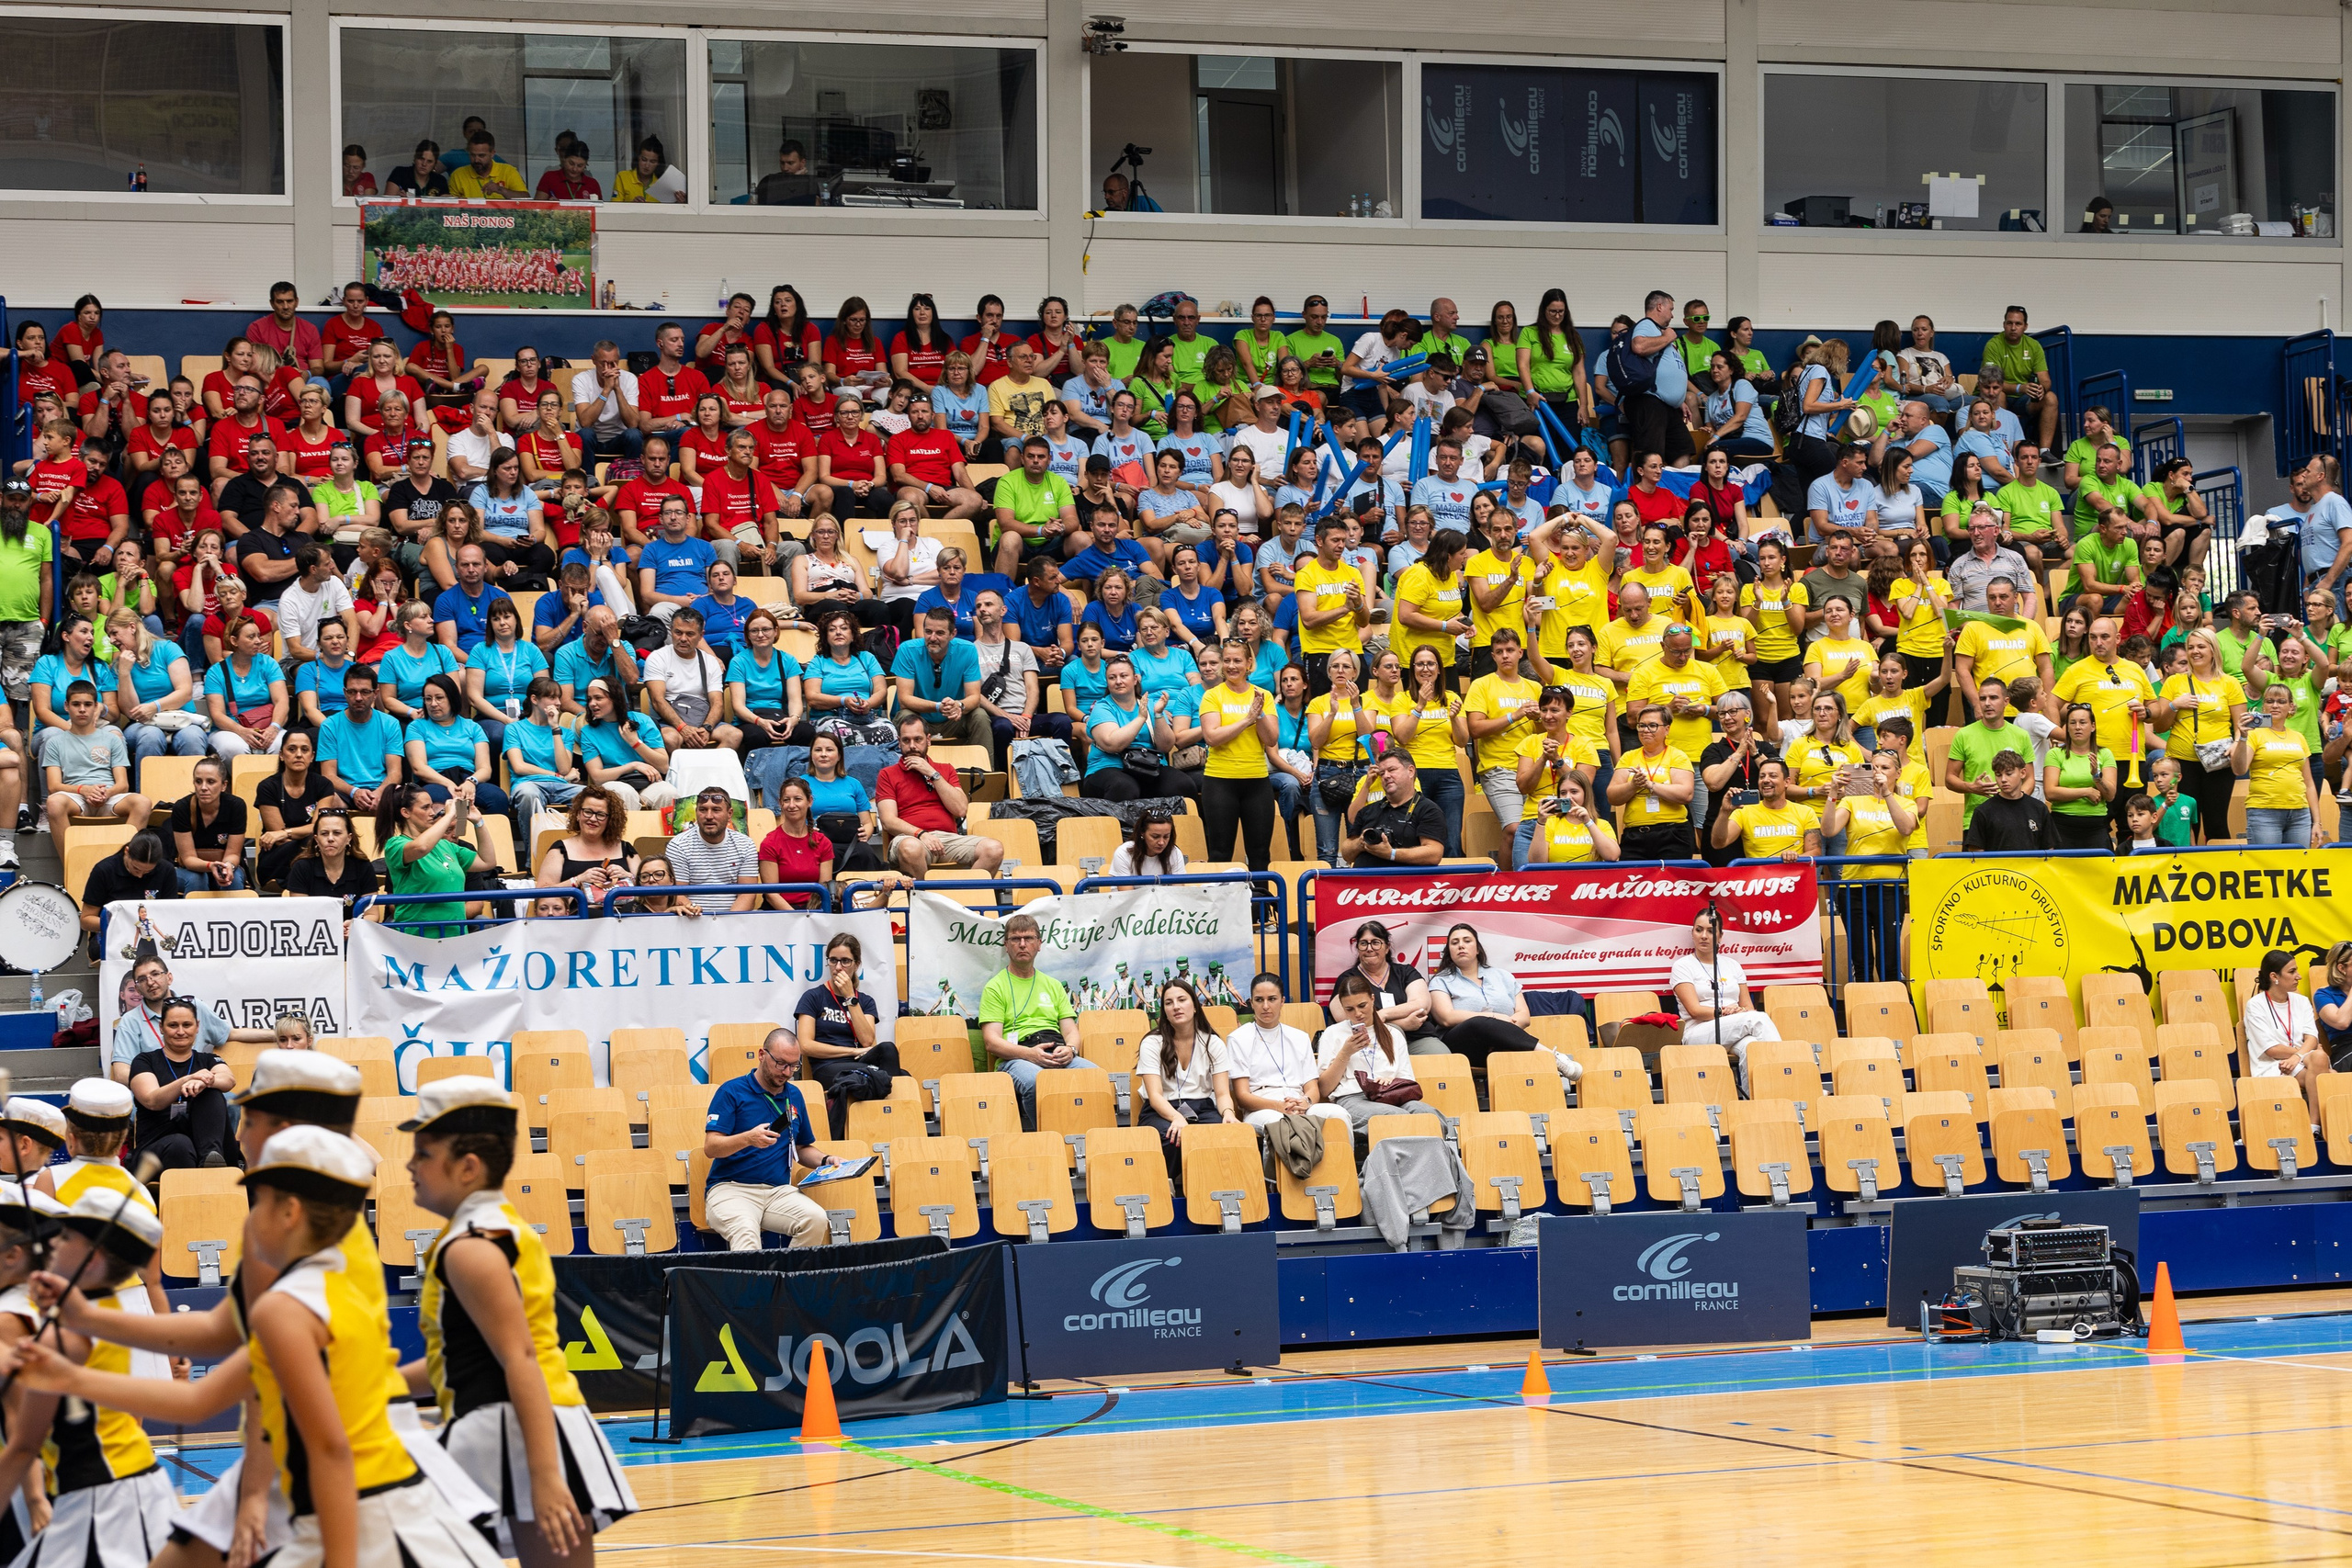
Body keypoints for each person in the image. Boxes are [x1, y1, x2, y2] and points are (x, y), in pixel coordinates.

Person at [399, 1077, 638, 1562]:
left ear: (467, 1167)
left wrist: (546, 1478)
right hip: (530, 1422)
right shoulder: (500, 1228)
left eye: (423, 1152)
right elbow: (464, 1357)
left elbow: (519, 1357)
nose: (409, 1165)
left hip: (514, 1429)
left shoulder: (471, 1247)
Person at [700, 1026, 835, 1249]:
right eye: (781, 1063)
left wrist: (826, 1160)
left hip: (778, 1191)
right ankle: (755, 1285)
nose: (786, 1072)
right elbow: (711, 1147)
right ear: (762, 1055)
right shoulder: (731, 1091)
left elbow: (801, 1148)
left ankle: (789, 1281)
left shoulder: (794, 1095)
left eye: (794, 1066)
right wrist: (748, 1138)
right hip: (732, 1189)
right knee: (745, 1230)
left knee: (816, 1218)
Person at [979, 913, 1092, 1128]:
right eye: (1015, 939)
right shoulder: (995, 987)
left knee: (1095, 1076)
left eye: (1029, 938)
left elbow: (1071, 1031)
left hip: (1056, 1051)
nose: (1022, 944)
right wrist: (1030, 1054)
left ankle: (1087, 1137)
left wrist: (1071, 1050)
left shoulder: (1053, 985)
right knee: (1036, 1081)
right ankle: (1048, 1138)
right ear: (1006, 945)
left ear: (1039, 944)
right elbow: (991, 1042)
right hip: (1016, 1057)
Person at [793, 932, 906, 1133]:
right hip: (828, 1067)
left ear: (856, 964)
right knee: (897, 1077)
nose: (838, 967)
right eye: (833, 960)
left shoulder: (865, 1001)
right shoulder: (813, 997)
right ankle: (890, 1124)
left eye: (845, 961)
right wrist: (851, 1052)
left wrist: (849, 997)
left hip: (861, 1065)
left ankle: (887, 1121)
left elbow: (867, 1040)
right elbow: (806, 1045)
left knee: (888, 1049)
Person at [876, 711, 1008, 877]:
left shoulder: (945, 769)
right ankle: (927, 900)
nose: (912, 746)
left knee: (994, 849)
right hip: (910, 838)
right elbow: (888, 821)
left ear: (928, 740)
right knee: (911, 848)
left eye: (918, 739)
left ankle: (961, 898)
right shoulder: (887, 774)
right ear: (899, 743)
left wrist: (933, 773)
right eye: (906, 740)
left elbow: (960, 810)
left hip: (948, 840)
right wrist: (921, 834)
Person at [1313, 974, 1443, 1135]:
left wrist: (1392, 1081)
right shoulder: (1333, 1033)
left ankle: (1433, 1159)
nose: (1358, 1013)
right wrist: (1345, 1054)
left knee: (1431, 1116)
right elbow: (1324, 1090)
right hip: (1352, 1097)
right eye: (1349, 1009)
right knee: (1396, 1118)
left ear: (1373, 999)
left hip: (1392, 1095)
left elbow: (1408, 1080)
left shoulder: (1392, 1033)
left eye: (1362, 1005)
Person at [2152, 628, 2248, 841]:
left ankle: (2219, 868)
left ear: (2213, 650)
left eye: (2201, 646)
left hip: (2218, 761)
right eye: (2191, 647)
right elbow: (2159, 726)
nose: (2195, 652)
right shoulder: (2174, 682)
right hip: (2182, 763)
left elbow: (2241, 723)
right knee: (2186, 823)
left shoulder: (2230, 683)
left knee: (2217, 822)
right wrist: (2174, 705)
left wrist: (2236, 743)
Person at [1671, 908, 1783, 1088]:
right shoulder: (1683, 966)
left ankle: (1756, 1101)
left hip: (1734, 1028)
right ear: (1691, 933)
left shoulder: (1733, 965)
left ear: (1720, 936)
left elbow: (1748, 1008)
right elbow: (1694, 1011)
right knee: (1758, 1019)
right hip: (1699, 1032)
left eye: (1710, 931)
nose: (1704, 936)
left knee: (1752, 1047)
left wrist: (1739, 1011)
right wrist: (1725, 1013)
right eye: (1699, 930)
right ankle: (1791, 1075)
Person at [1134, 979, 1239, 1167]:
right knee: (1173, 1138)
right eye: (1169, 1003)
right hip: (1161, 1110)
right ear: (1164, 1011)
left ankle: (1209, 1188)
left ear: (1195, 1006)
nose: (1176, 1007)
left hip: (1203, 1108)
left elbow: (1222, 1094)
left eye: (1182, 1000)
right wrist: (1177, 1117)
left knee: (1221, 1137)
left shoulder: (1213, 1043)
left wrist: (1229, 1113)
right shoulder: (1152, 1043)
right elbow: (1155, 1095)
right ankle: (1168, 1187)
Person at [124, 997, 235, 1170]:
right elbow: (152, 1100)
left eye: (187, 1025)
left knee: (212, 1092)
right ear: (161, 1027)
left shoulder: (208, 1059)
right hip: (156, 1149)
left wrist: (207, 1081)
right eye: (173, 1025)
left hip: (200, 1148)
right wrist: (187, 1080)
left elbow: (228, 1080)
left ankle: (210, 1160)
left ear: (197, 1027)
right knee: (180, 1144)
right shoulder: (145, 1060)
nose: (181, 1031)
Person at [1426, 923, 1547, 1071]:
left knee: (1501, 1043)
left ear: (1477, 949)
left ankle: (1551, 1062)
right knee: (1477, 1023)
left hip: (1505, 1046)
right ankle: (1551, 1057)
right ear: (1449, 951)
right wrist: (1493, 1017)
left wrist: (1501, 1034)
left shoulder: (1504, 976)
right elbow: (1446, 1018)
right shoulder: (1440, 981)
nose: (1461, 946)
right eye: (1455, 943)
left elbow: (1524, 1016)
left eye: (1467, 941)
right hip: (1464, 1048)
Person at [40, 680, 149, 843]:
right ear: (66, 706)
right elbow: (53, 786)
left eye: (88, 704)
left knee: (143, 803)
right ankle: (71, 867)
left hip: (108, 795)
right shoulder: (55, 742)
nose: (82, 709)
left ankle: (121, 861)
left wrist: (105, 794)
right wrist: (83, 790)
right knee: (54, 802)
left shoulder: (112, 739)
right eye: (76, 704)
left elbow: (123, 784)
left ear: (96, 706)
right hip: (75, 796)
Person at [2246, 948, 2335, 1121]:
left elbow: (2312, 1038)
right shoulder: (2255, 1005)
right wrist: (2302, 1052)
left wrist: (2298, 1056)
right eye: (2292, 971)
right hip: (2272, 1066)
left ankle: (2314, 1125)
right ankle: (2318, 1124)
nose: (2299, 976)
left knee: (2319, 1057)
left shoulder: (2301, 1001)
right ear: (2274, 977)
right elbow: (2272, 1050)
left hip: (2302, 1061)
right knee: (2331, 1078)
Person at [2240, 681, 2326, 847]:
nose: (2275, 705)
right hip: (2264, 812)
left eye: (2281, 701)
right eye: (2269, 701)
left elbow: (2309, 784)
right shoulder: (2254, 734)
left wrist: (2317, 822)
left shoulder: (2299, 737)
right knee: (2266, 867)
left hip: (2300, 813)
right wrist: (2242, 738)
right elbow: (2240, 769)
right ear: (2263, 706)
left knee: (2299, 866)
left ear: (2291, 707)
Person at [1608, 705, 1698, 860]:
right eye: (1641, 725)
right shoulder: (1628, 757)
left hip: (1672, 833)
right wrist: (1633, 785)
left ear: (1667, 729)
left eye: (1652, 726)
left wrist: (1650, 785)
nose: (1645, 730)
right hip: (1635, 835)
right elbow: (1612, 796)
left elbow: (1686, 794)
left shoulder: (1677, 756)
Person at [1341, 749, 1446, 868]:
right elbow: (1346, 854)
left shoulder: (1428, 810)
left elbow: (1434, 854)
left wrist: (1391, 854)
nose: (1386, 776)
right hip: (1364, 883)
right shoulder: (1368, 810)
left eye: (1392, 770)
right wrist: (1360, 842)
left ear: (1410, 771)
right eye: (1382, 773)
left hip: (1404, 884)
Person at [663, 786, 760, 913]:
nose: (709, 816)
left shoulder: (745, 845)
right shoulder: (678, 845)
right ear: (696, 812)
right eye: (703, 810)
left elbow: (747, 895)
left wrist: (725, 924)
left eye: (716, 810)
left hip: (734, 922)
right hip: (692, 920)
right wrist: (704, 922)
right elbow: (677, 895)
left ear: (729, 814)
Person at [2042, 703, 2118, 851]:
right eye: (2072, 723)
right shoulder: (2055, 754)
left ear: (2093, 726)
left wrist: (2097, 776)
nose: (2077, 727)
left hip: (2096, 825)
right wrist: (2086, 792)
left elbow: (2110, 795)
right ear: (2067, 727)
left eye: (2083, 722)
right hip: (2062, 825)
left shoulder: (2105, 754)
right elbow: (2050, 792)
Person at [1963, 749, 2054, 851]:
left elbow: (2049, 849)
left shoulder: (2039, 808)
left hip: (2032, 866)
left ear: (2023, 773)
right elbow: (1976, 853)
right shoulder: (1983, 812)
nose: (2003, 779)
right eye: (1998, 775)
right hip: (1997, 867)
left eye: (2009, 773)